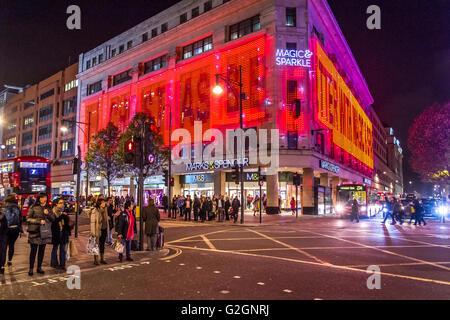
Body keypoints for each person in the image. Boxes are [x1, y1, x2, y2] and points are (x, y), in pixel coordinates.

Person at [26, 192, 55, 276]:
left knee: (42, 251)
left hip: (44, 233)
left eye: (45, 197)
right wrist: (38, 221)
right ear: (39, 198)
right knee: (33, 251)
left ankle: (39, 267)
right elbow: (28, 218)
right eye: (42, 197)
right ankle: (31, 268)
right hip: (35, 232)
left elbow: (53, 218)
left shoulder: (48, 208)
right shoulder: (33, 207)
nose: (44, 199)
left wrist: (48, 214)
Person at [0, 194, 23, 273]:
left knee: (3, 248)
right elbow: (21, 219)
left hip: (5, 230)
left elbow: (1, 218)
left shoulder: (3, 207)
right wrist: (20, 229)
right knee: (11, 245)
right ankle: (9, 260)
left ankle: (2, 266)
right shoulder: (17, 207)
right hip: (15, 230)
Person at [50, 198, 71, 270]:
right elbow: (54, 220)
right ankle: (54, 263)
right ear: (56, 204)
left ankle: (62, 264)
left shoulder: (63, 211)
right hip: (56, 232)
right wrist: (62, 215)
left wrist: (65, 216)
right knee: (55, 248)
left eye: (62, 203)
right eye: (60, 203)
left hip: (64, 232)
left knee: (63, 249)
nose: (62, 204)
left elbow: (67, 222)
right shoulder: (53, 211)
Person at [88, 198, 110, 265]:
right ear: (99, 204)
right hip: (98, 230)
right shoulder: (95, 211)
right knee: (96, 245)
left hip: (104, 229)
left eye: (104, 202)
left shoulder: (105, 210)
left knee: (102, 244)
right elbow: (92, 222)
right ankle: (96, 260)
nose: (104, 204)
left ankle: (102, 258)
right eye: (103, 202)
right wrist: (93, 232)